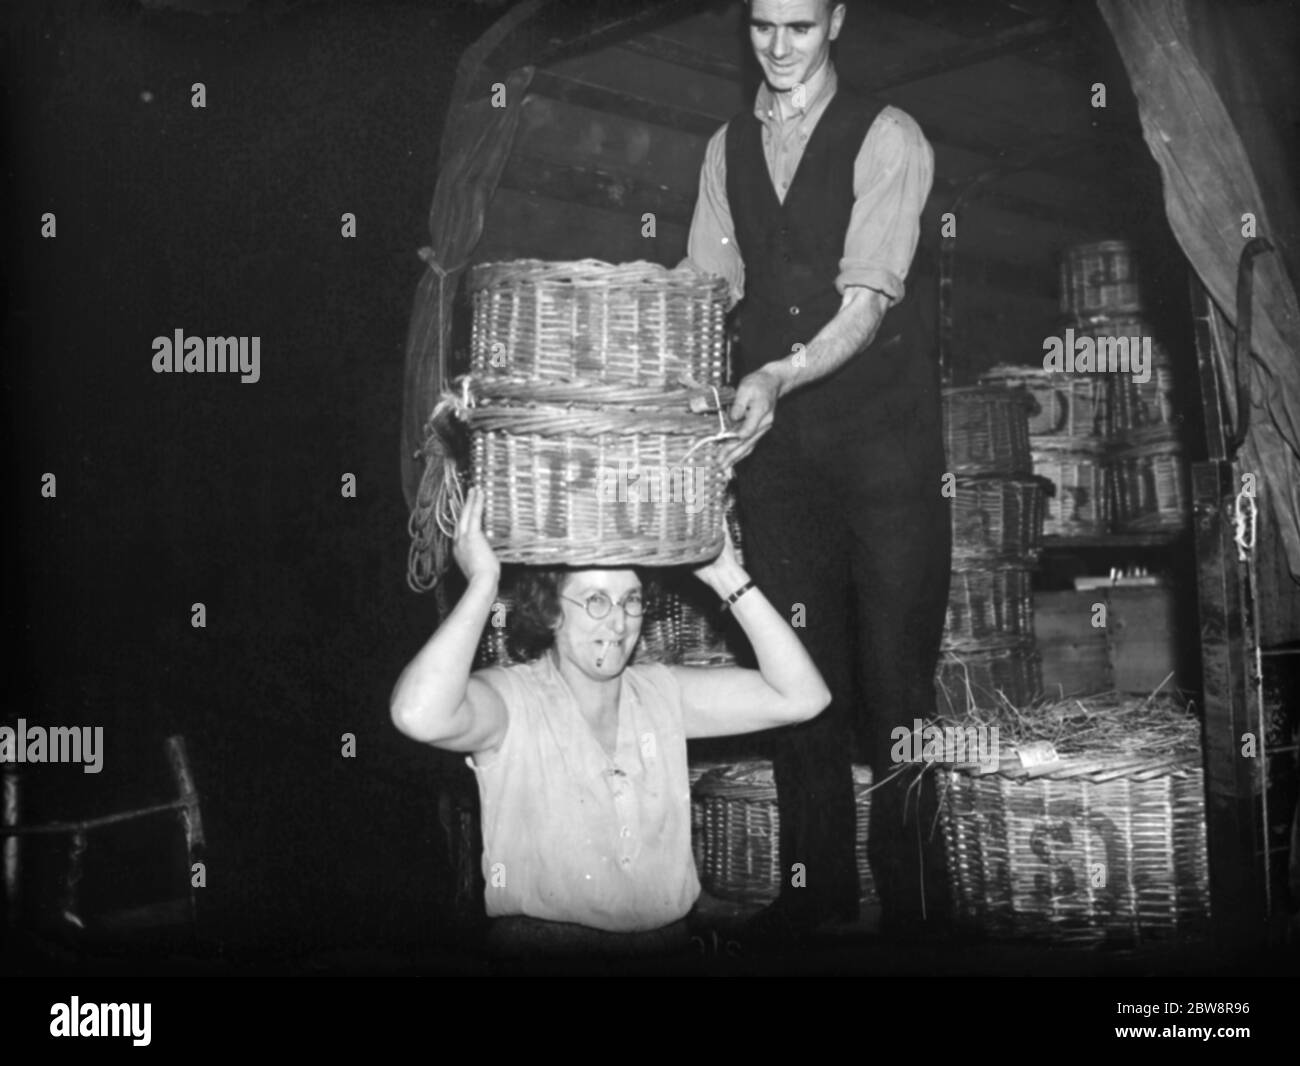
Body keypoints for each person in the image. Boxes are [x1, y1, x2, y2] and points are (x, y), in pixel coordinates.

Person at [684, 0, 952, 939]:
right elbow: (704, 294)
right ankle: (814, 901)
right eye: (762, 26)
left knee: (894, 681)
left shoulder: (888, 138)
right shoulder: (724, 149)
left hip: (886, 450)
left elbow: (866, 302)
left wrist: (779, 372)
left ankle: (921, 912)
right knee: (794, 671)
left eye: (800, 26)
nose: (780, 46)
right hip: (779, 456)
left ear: (837, 20)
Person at [390, 486, 831, 957]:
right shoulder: (511, 700)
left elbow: (804, 696)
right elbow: (417, 714)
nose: (618, 624)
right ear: (552, 611)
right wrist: (482, 585)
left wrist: (726, 576)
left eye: (631, 601)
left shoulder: (664, 693)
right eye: (596, 601)